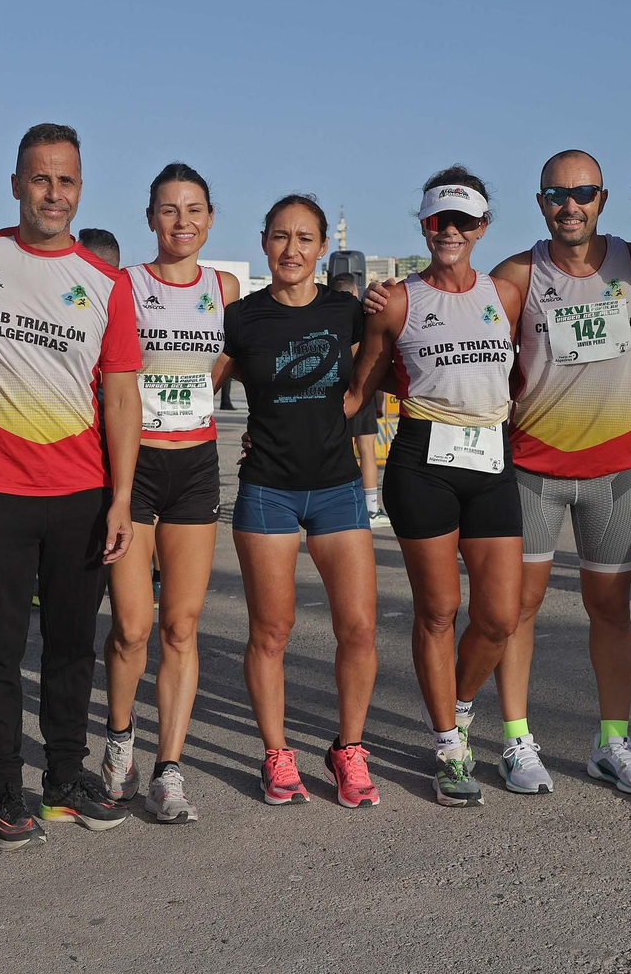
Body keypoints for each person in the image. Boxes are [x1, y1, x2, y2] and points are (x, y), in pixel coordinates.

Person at [0, 123, 142, 849]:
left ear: (80, 189)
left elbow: (121, 397)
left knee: (71, 648)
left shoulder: (107, 283)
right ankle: (5, 786)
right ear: (16, 185)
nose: (53, 193)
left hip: (80, 493)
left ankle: (63, 779)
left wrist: (121, 498)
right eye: (40, 178)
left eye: (65, 181)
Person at [486, 151, 631, 796]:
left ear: (602, 199)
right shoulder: (517, 274)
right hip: (534, 470)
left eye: (583, 193)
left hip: (615, 471)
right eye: (557, 194)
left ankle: (612, 743)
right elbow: (475, 351)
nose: (570, 205)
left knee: (611, 610)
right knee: (517, 610)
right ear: (541, 203)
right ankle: (516, 739)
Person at [347, 168, 520, 807]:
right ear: (423, 224)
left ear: (482, 227)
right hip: (424, 461)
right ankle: (449, 746)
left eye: (463, 221)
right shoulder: (397, 301)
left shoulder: (506, 295)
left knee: (499, 617)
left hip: (492, 457)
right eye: (438, 220)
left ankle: (459, 706)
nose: (450, 231)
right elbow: (359, 388)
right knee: (439, 609)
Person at [225, 194, 380, 809]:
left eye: (305, 238)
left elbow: (382, 358)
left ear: (321, 248)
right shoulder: (241, 317)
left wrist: (357, 396)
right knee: (272, 630)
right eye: (280, 237)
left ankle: (349, 750)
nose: (292, 249)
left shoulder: (347, 311)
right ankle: (277, 754)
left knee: (359, 628)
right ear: (265, 241)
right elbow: (196, 383)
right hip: (268, 489)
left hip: (338, 487)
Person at [101, 163, 237, 824]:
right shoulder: (125, 285)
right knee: (132, 626)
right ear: (150, 218)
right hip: (136, 468)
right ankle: (119, 741)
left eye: (194, 209)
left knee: (181, 626)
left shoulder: (224, 287)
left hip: (197, 468)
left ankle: (169, 769)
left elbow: (229, 356)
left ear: (210, 218)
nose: (182, 221)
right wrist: (118, 490)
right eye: (169, 209)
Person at [329, 271, 388, 528]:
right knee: (367, 450)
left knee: (337, 451)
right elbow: (375, 364)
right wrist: (379, 403)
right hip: (362, 393)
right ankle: (371, 509)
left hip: (334, 394)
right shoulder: (364, 319)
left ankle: (338, 506)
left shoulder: (325, 318)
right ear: (356, 292)